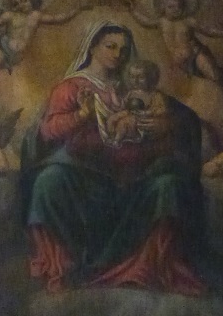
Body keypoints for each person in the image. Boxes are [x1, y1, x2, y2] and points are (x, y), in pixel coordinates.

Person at [21, 21, 207, 294]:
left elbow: (179, 120)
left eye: (124, 49)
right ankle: (65, 266)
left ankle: (153, 267)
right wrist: (82, 115)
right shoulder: (71, 87)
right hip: (86, 175)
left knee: (169, 184)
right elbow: (49, 131)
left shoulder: (134, 85)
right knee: (48, 181)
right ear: (92, 47)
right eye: (110, 46)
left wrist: (163, 124)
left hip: (136, 177)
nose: (118, 54)